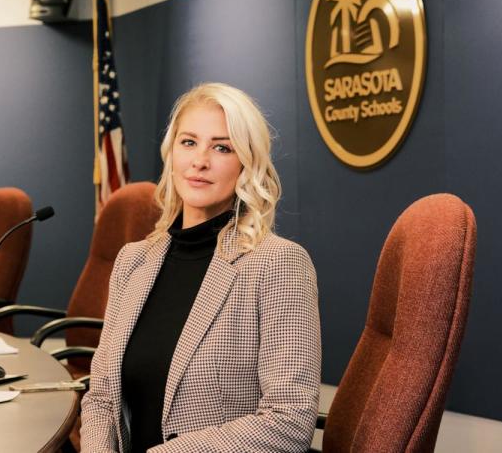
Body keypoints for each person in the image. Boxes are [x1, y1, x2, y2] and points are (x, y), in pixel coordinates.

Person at [80, 83, 321, 452]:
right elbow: (101, 397)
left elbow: (290, 419)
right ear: (171, 153)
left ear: (247, 163)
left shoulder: (278, 263)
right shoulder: (132, 261)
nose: (200, 161)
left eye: (222, 147)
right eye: (189, 142)